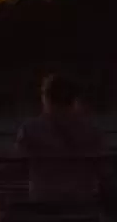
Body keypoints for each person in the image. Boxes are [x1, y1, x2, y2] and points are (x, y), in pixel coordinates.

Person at [17, 72, 109, 204]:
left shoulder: (30, 129)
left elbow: (18, 166)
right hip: (82, 201)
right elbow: (104, 170)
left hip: (43, 201)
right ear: (74, 99)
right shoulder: (91, 130)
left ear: (45, 98)